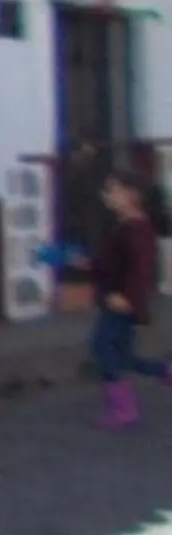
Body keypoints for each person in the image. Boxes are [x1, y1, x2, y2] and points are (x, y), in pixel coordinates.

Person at [88, 170, 169, 429]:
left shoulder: (137, 228)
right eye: (107, 190)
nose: (107, 196)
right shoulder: (125, 226)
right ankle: (165, 372)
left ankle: (124, 409)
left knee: (103, 351)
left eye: (113, 190)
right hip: (114, 300)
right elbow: (109, 263)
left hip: (120, 304)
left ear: (132, 195)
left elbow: (142, 270)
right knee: (123, 355)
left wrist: (127, 297)